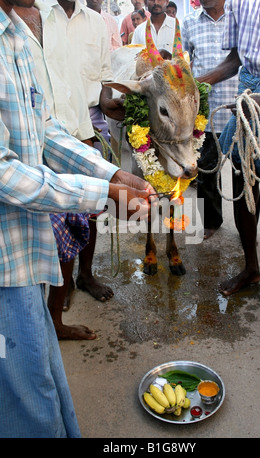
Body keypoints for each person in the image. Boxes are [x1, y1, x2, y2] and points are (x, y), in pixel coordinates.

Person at [0, 0, 155, 437]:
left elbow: (44, 128)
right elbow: (3, 170)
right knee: (25, 405)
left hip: (25, 261)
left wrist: (111, 171)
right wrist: (102, 191)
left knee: (44, 385)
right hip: (3, 270)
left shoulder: (16, 34)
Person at [14, 0, 121, 340]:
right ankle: (46, 317)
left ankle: (69, 296)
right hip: (30, 140)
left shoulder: (92, 23)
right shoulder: (28, 16)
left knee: (80, 223)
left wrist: (103, 161)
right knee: (43, 233)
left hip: (76, 128)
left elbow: (93, 79)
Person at [196, 0, 260, 313]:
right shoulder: (242, 1)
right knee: (243, 189)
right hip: (247, 98)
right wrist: (199, 82)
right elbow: (236, 58)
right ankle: (251, 268)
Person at [181, 0, 238, 240]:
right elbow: (183, 64)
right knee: (205, 171)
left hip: (239, 110)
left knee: (243, 174)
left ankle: (246, 224)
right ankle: (212, 223)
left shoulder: (238, 17)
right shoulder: (189, 23)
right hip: (205, 114)